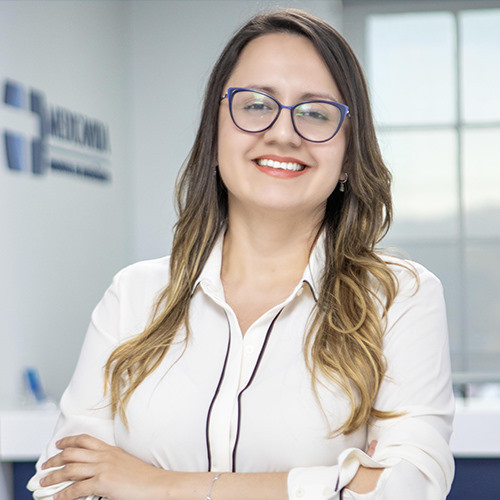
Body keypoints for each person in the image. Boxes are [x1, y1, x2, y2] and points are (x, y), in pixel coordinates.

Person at [28, 8, 454, 500]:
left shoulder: (398, 298)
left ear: (347, 154)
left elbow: (407, 488)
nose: (283, 133)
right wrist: (335, 483)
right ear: (215, 136)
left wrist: (157, 484)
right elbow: (59, 484)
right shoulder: (135, 296)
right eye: (255, 104)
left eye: (316, 112)